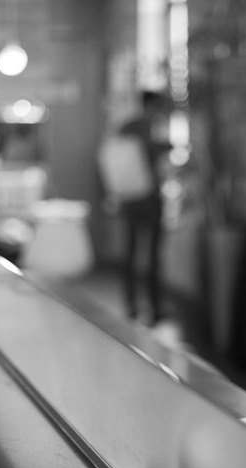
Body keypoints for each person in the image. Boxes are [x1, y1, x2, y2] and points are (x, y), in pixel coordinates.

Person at [98, 90, 172, 323]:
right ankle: (155, 307)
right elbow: (151, 155)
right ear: (153, 105)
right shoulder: (149, 128)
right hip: (148, 199)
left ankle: (131, 306)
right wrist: (166, 147)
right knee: (152, 255)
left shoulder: (126, 127)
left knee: (131, 253)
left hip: (130, 200)